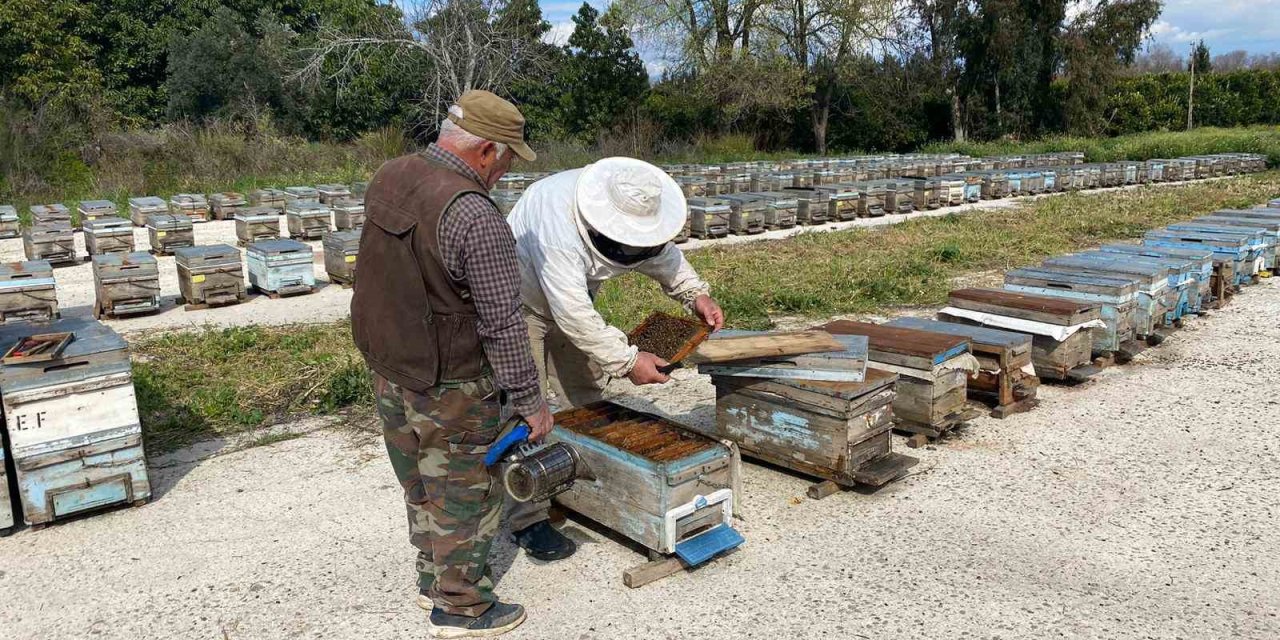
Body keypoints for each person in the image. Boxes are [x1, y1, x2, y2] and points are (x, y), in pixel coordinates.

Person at [351, 90, 553, 639]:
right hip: (453, 384)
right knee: (466, 493)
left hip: (392, 366)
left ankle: (430, 580)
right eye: (508, 159)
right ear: (486, 151)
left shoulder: (389, 175)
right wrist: (531, 403)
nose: (506, 171)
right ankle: (462, 606)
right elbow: (503, 323)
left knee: (418, 480)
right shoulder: (473, 213)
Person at [504, 157, 725, 559]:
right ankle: (529, 516)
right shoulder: (559, 226)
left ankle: (586, 486)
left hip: (573, 299)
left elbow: (661, 255)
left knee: (586, 396)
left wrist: (696, 294)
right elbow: (572, 313)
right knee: (528, 411)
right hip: (521, 303)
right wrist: (627, 362)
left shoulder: (628, 211)